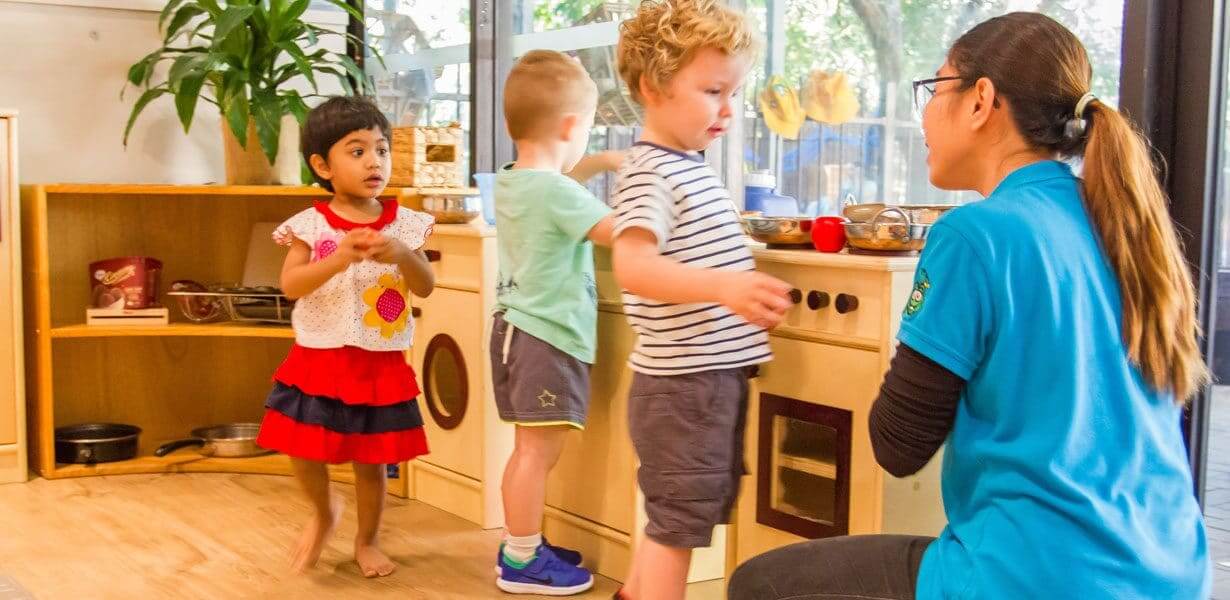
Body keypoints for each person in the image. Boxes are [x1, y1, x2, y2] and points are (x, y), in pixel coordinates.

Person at [728, 12, 1210, 600]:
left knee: (761, 584)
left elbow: (897, 447)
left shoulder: (974, 234)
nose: (925, 114)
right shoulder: (1125, 227)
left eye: (934, 89)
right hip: (1171, 571)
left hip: (1037, 579)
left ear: (981, 100)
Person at [610, 1, 792, 597]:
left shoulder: (683, 166)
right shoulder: (652, 172)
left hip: (699, 384)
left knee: (671, 522)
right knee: (677, 530)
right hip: (684, 388)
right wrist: (725, 286)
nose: (728, 110)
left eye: (733, 93)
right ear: (652, 87)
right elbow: (632, 265)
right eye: (714, 90)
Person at [256, 96, 436, 578]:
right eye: (356, 151)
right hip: (319, 355)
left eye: (381, 149)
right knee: (302, 445)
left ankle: (367, 538)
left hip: (379, 360)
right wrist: (339, 258)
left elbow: (426, 286)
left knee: (370, 459)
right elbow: (291, 285)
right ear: (322, 165)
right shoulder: (310, 225)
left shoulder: (405, 225)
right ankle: (323, 512)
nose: (374, 161)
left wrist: (403, 254)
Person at [490, 48, 623, 595]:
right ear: (573, 125)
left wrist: (608, 164)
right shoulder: (559, 193)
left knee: (527, 450)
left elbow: (563, 178)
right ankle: (521, 559)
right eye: (590, 129)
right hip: (546, 336)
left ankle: (522, 542)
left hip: (516, 331)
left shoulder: (514, 181)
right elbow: (617, 232)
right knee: (537, 454)